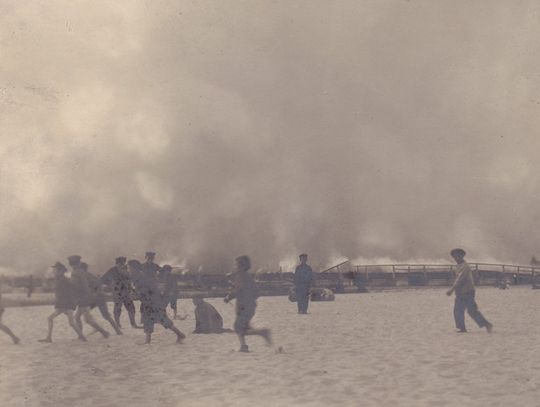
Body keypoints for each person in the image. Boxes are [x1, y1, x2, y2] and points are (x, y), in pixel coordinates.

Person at [224, 255, 272, 352]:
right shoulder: (248, 277)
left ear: (241, 266)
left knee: (238, 327)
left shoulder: (241, 276)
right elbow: (256, 292)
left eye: (236, 265)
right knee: (243, 327)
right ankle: (244, 346)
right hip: (250, 306)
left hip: (243, 307)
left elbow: (238, 290)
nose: (235, 267)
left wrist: (229, 297)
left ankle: (262, 333)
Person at [136, 255, 185, 344]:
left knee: (161, 319)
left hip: (153, 298)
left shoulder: (154, 268)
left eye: (151, 259)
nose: (150, 260)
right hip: (149, 298)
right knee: (149, 319)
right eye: (148, 258)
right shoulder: (142, 268)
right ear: (146, 258)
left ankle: (179, 334)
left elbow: (163, 273)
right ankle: (148, 340)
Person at [446, 249, 493, 333]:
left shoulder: (465, 266)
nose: (456, 258)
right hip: (460, 292)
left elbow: (460, 279)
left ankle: (487, 324)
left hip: (468, 292)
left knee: (471, 310)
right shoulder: (457, 266)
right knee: (457, 310)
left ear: (462, 256)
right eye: (455, 256)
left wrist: (451, 289)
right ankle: (461, 328)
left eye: (458, 256)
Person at [39, 262, 86, 343]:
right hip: (67, 304)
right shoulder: (62, 279)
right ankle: (83, 338)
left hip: (65, 304)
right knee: (71, 323)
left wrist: (61, 307)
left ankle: (49, 338)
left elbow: (64, 293)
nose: (54, 271)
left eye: (55, 270)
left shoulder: (62, 280)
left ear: (60, 271)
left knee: (51, 318)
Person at [68, 255, 110, 339]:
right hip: (85, 297)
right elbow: (85, 285)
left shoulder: (75, 273)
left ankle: (104, 332)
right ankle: (81, 335)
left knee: (87, 320)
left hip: (82, 298)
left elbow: (75, 285)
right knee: (78, 317)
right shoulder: (81, 272)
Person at [81, 262, 122, 335]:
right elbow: (99, 284)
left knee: (86, 314)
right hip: (98, 297)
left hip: (96, 298)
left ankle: (99, 328)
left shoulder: (85, 276)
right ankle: (117, 331)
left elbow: (94, 287)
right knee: (106, 316)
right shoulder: (91, 275)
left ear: (82, 269)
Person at [101, 257, 140, 329]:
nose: (122, 265)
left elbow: (129, 279)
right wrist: (110, 285)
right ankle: (118, 324)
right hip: (117, 292)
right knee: (117, 309)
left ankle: (133, 324)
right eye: (121, 263)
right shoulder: (112, 270)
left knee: (131, 308)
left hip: (126, 292)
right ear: (117, 263)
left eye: (123, 263)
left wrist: (131, 289)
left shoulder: (125, 269)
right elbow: (103, 279)